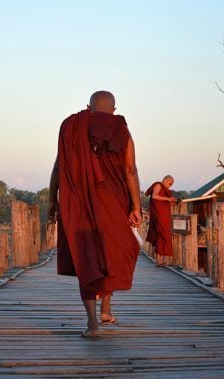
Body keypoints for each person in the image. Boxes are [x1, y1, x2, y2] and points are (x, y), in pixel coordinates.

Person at [48, 90, 142, 339]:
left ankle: (93, 324)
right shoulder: (121, 128)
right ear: (114, 109)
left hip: (77, 205)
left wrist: (51, 200)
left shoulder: (72, 128)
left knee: (87, 258)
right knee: (111, 253)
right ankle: (106, 309)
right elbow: (130, 170)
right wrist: (136, 206)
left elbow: (59, 166)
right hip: (113, 202)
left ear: (88, 107)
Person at [145, 176, 177, 266]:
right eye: (170, 184)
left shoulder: (165, 190)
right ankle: (159, 260)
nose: (170, 186)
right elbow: (154, 196)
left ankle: (161, 261)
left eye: (172, 185)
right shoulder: (158, 185)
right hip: (159, 216)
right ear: (165, 180)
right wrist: (167, 199)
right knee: (161, 235)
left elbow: (162, 201)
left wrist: (171, 201)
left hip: (164, 215)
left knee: (164, 236)